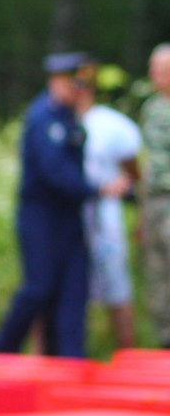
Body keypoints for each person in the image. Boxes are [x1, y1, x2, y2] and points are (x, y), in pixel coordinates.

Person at [0, 53, 130, 358]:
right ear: (56, 81)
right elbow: (56, 173)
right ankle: (0, 351)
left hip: (70, 216)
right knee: (39, 287)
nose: (77, 90)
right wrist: (98, 189)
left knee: (73, 291)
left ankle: (70, 359)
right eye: (72, 83)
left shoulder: (70, 117)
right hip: (42, 216)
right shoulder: (43, 117)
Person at [75, 68, 140, 350]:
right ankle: (77, 352)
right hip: (74, 216)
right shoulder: (60, 120)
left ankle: (127, 352)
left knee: (117, 285)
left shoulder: (111, 124)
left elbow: (134, 167)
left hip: (106, 215)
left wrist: (122, 184)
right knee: (75, 289)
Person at [140, 43, 170, 348]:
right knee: (157, 275)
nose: (154, 75)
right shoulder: (152, 108)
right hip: (155, 201)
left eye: (160, 69)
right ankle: (165, 342)